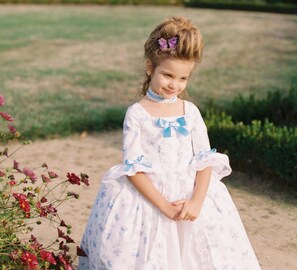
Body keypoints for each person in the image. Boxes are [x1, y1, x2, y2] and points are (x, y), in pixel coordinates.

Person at [78, 16, 262, 270]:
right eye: (167, 75)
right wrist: (164, 206)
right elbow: (134, 168)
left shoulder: (191, 112)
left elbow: (204, 160)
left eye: (183, 79)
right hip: (151, 201)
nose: (174, 85)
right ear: (150, 67)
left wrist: (196, 202)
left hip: (190, 198)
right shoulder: (137, 114)